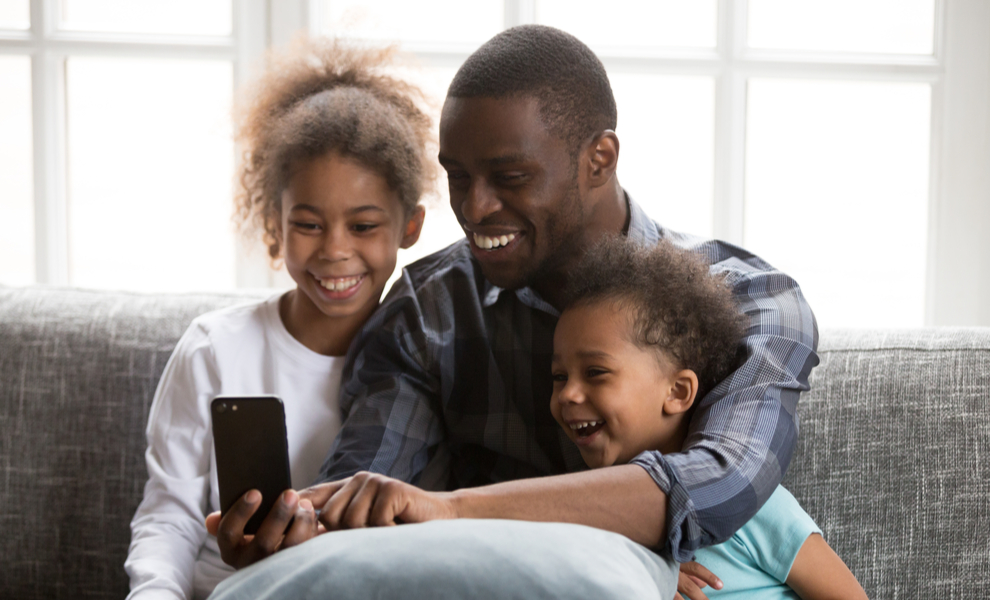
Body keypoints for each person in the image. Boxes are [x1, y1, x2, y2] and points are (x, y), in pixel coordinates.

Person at [209, 24, 819, 599]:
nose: (473, 208)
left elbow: (714, 484)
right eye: (457, 176)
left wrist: (450, 509)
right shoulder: (427, 312)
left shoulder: (748, 303)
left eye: (510, 176)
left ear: (599, 158)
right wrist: (295, 534)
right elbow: (368, 500)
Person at [124, 37, 434, 600]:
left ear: (409, 227)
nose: (335, 251)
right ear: (275, 224)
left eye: (364, 226)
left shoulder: (425, 362)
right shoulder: (215, 348)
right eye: (309, 225)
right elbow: (169, 517)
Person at [549, 237, 866, 599]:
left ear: (678, 392)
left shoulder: (751, 506)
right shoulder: (593, 521)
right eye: (559, 378)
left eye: (595, 372)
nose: (568, 394)